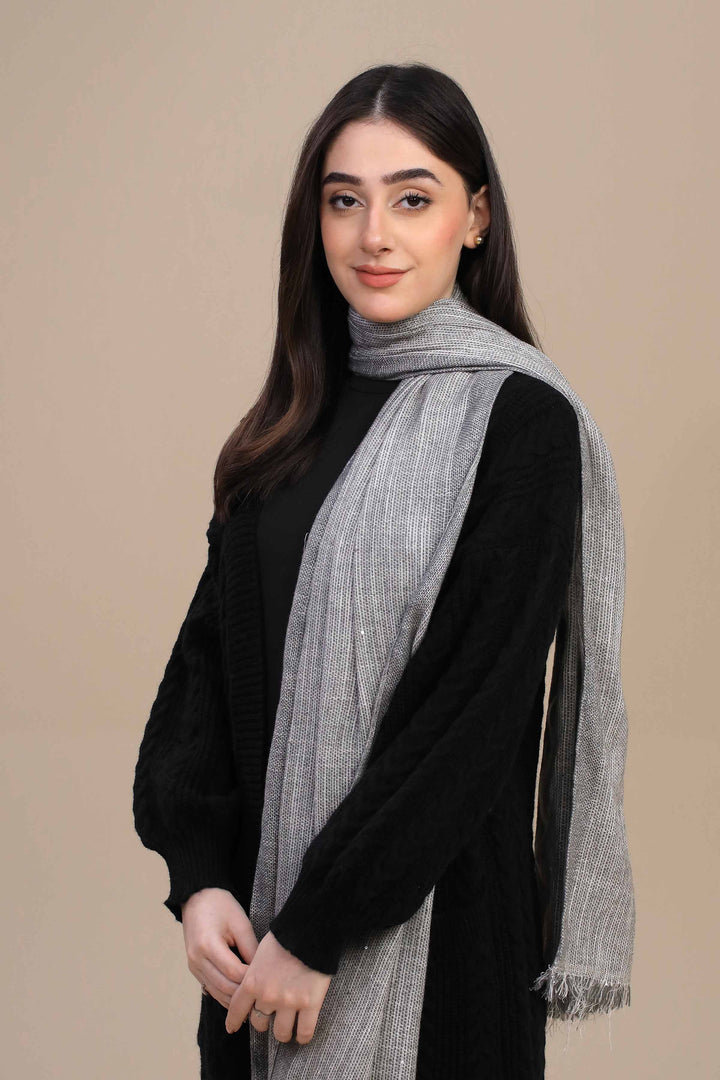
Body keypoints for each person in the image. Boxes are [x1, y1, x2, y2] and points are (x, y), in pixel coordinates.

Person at [133, 62, 633, 1080]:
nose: (374, 235)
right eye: (343, 201)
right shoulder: (290, 423)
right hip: (254, 953)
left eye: (412, 199)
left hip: (440, 954)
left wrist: (318, 929)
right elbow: (205, 672)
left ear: (475, 217)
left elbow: (469, 718)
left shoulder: (523, 424)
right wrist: (201, 881)